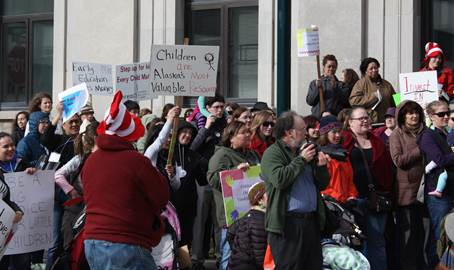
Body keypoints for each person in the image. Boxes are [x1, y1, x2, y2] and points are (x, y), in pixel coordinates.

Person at [82, 91, 169, 269]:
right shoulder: (136, 161)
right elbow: (161, 196)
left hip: (92, 241)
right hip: (125, 241)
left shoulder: (91, 161)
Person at [261, 111, 330, 269]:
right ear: (289, 133)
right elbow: (280, 180)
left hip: (310, 222)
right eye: (302, 129)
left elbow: (322, 185)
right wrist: (301, 160)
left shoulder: (305, 151)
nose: (306, 133)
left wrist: (321, 167)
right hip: (288, 224)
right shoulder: (273, 153)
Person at [342, 107, 394, 270]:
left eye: (367, 117)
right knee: (357, 242)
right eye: (361, 118)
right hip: (352, 200)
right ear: (350, 122)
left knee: (377, 241)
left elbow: (387, 170)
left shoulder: (377, 141)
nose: (365, 120)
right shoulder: (344, 141)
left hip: (376, 199)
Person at [207, 121, 260, 270]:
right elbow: (212, 179)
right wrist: (236, 172)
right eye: (243, 132)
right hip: (231, 216)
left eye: (249, 132)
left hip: (252, 214)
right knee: (229, 255)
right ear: (231, 137)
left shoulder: (252, 154)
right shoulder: (222, 155)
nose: (248, 135)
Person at [389, 100, 428, 270]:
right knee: (408, 236)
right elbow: (398, 160)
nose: (414, 116)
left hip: (427, 191)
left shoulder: (427, 133)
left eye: (416, 112)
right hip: (407, 193)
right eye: (409, 113)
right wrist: (420, 149)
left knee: (425, 235)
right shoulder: (397, 135)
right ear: (402, 116)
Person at [190, 95, 227, 269]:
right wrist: (206, 128)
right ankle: (197, 257)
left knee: (219, 220)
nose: (219, 110)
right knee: (201, 220)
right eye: (216, 107)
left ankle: (221, 255)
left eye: (222, 107)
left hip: (220, 180)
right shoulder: (198, 124)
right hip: (202, 179)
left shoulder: (224, 125)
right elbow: (192, 147)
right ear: (208, 108)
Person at [417, 100, 454, 266]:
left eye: (447, 113)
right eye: (441, 114)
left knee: (446, 235)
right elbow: (439, 160)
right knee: (441, 236)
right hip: (437, 195)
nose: (446, 116)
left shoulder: (446, 134)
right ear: (431, 117)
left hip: (448, 191)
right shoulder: (427, 136)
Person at [54, 120, 99, 248]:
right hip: (76, 211)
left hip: (93, 212)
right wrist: (71, 190)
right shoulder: (81, 158)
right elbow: (57, 175)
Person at [0, 132, 34, 270]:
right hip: (3, 229)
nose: (10, 149)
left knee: (22, 263)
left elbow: (8, 198)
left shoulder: (22, 162)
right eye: (5, 146)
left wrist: (33, 172)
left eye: (12, 145)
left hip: (21, 229)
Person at [227, 182, 267, 270]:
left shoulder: (246, 217)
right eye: (268, 194)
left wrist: (237, 251)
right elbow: (260, 258)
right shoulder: (259, 221)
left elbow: (230, 232)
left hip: (234, 265)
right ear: (259, 200)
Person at [318, 115, 357, 203]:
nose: (338, 135)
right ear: (325, 134)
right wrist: (339, 198)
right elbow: (321, 186)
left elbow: (350, 181)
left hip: (345, 205)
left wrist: (352, 196)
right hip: (330, 204)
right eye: (334, 132)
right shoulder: (321, 155)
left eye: (339, 132)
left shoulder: (343, 154)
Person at [349, 57, 396, 123]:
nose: (374, 70)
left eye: (376, 68)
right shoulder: (360, 84)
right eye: (371, 69)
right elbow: (353, 101)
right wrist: (372, 97)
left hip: (385, 122)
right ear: (366, 71)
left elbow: (396, 101)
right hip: (369, 122)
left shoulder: (387, 84)